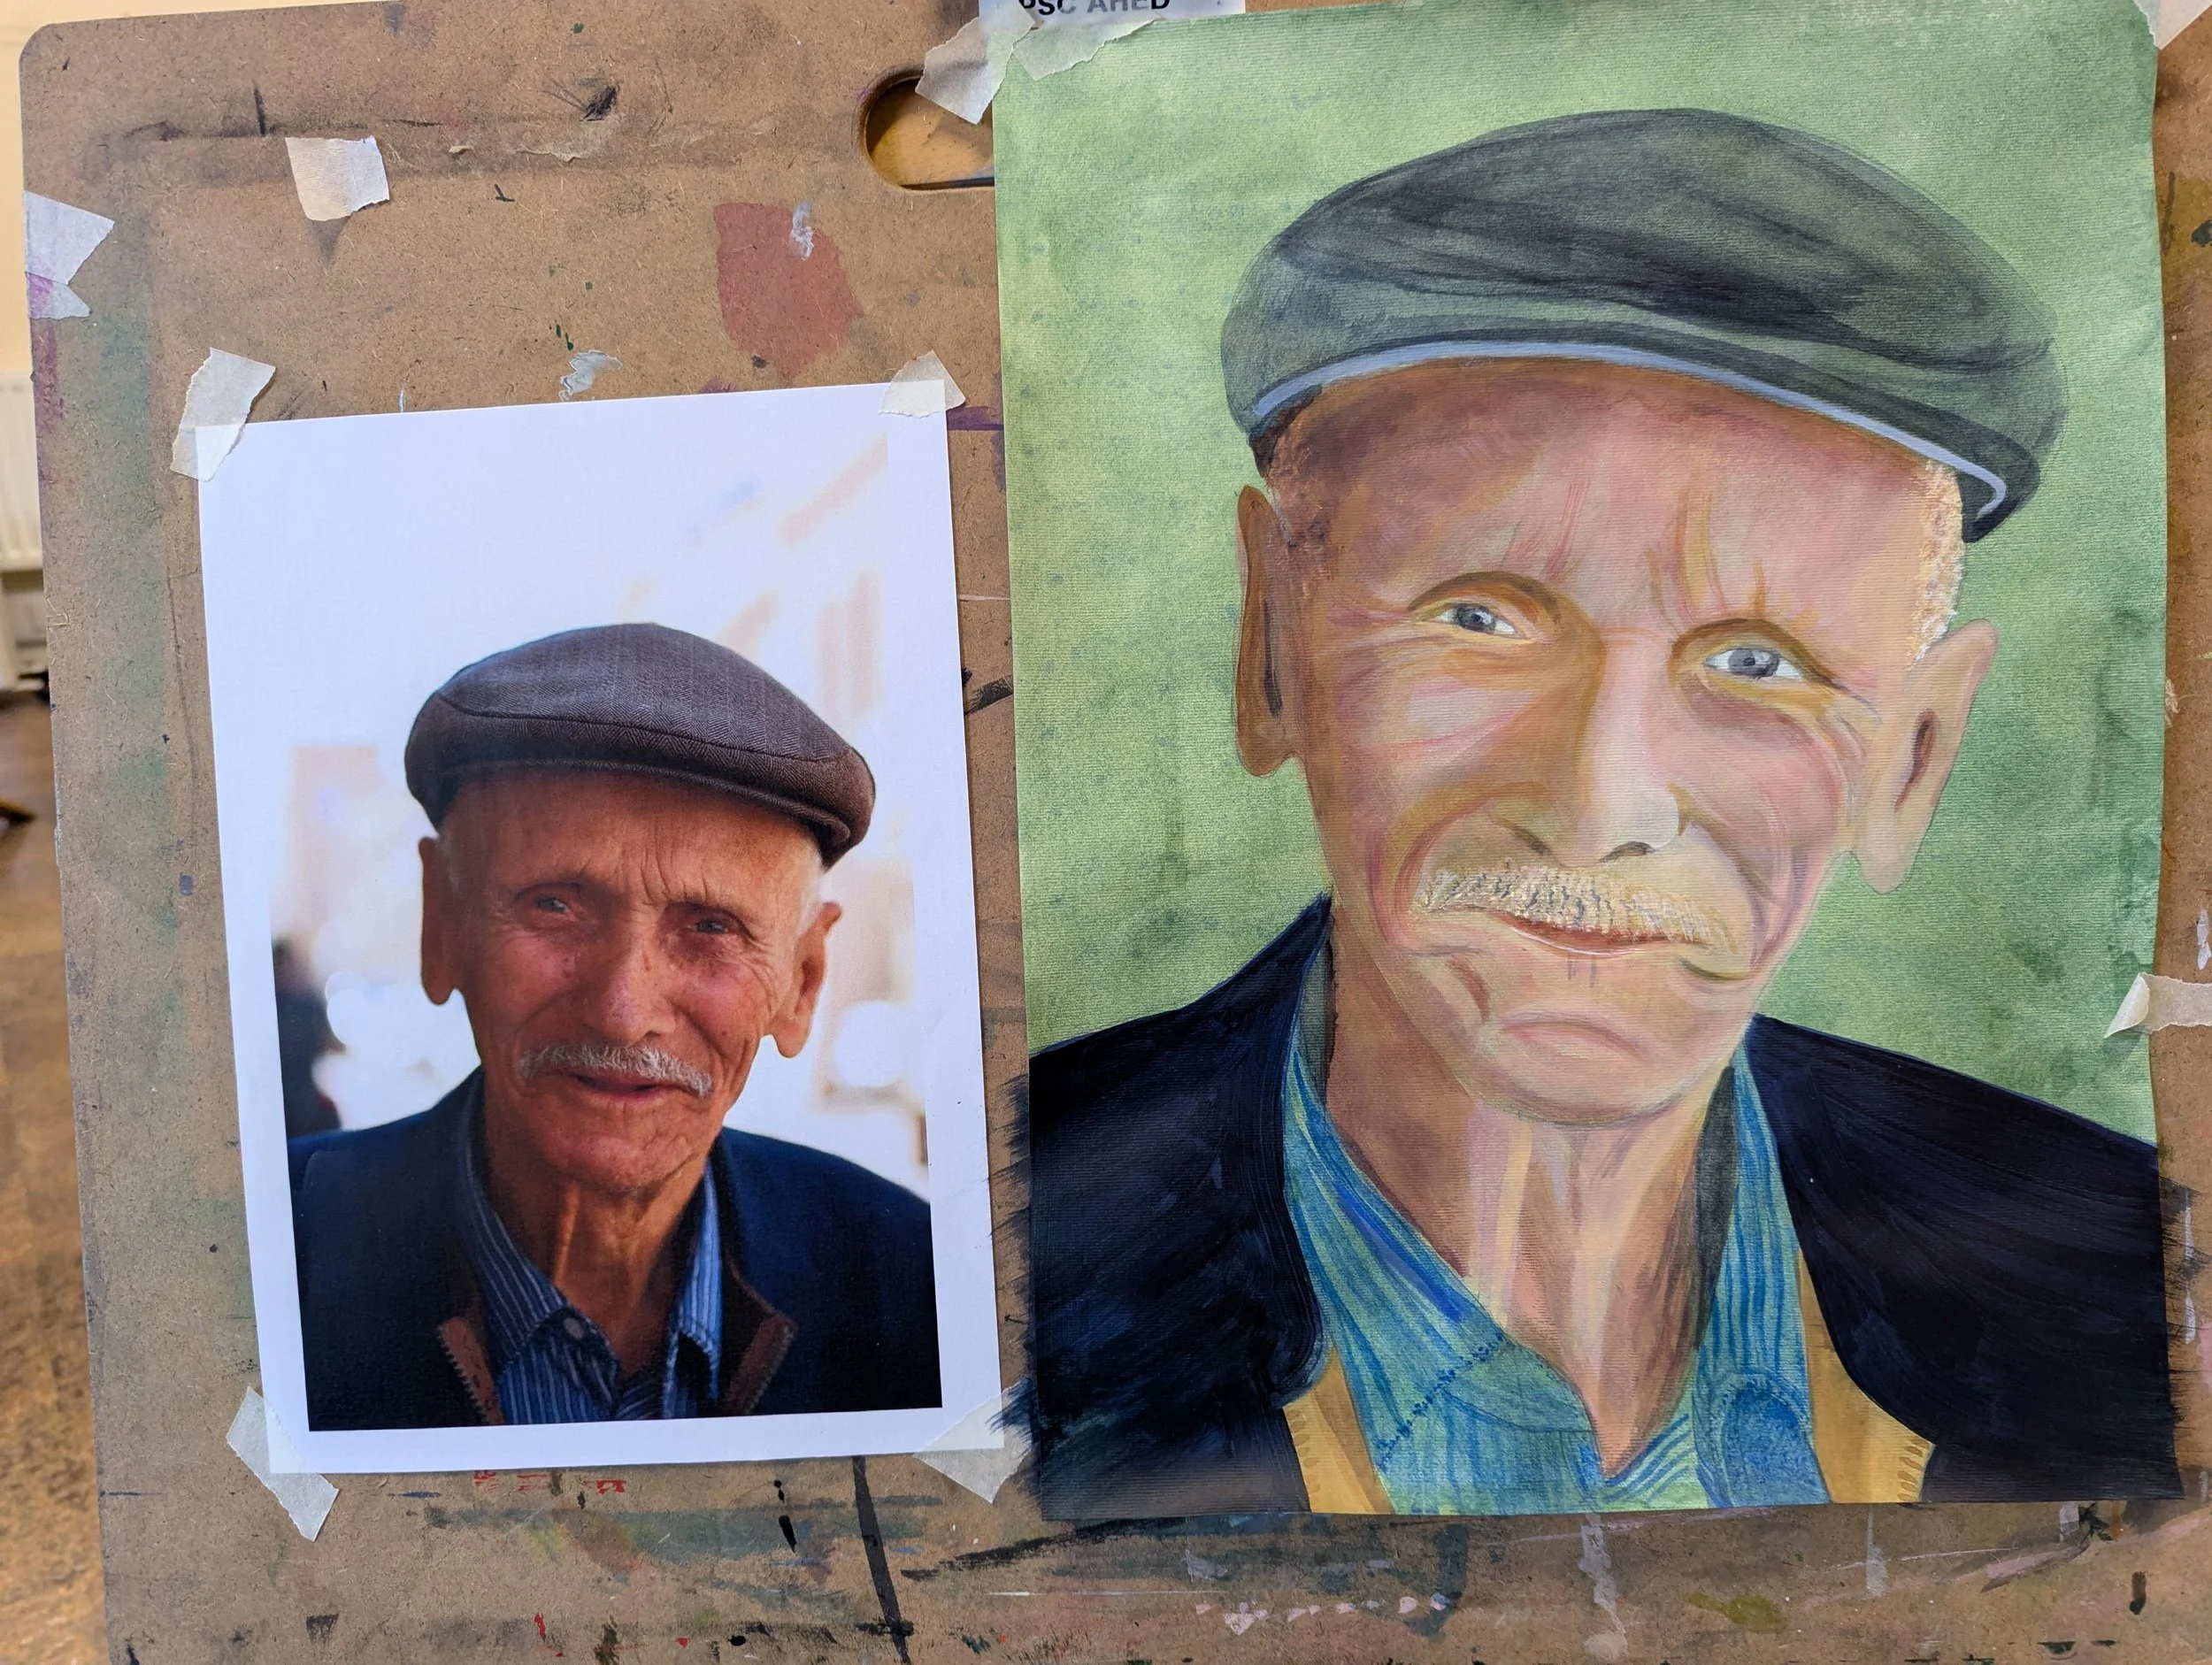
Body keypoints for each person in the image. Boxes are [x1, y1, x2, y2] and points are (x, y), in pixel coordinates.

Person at [1027, 109, 2176, 1517]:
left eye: (1758, 664)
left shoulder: (2120, 1274)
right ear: (1274, 646)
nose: (1600, 805)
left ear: (1913, 758)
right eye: (1484, 617)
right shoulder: (988, 1236)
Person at [289, 622, 941, 1429]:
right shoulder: (260, 1268)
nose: (625, 1014)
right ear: (442, 926)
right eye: (554, 906)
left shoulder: (920, 1286)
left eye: (712, 928)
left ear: (803, 981)